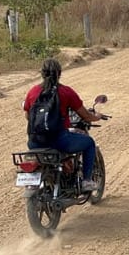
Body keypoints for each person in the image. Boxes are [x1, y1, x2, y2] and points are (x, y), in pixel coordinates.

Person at [23, 58, 102, 191]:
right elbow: (85, 115)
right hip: (59, 140)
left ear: (42, 73)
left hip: (35, 142)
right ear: (59, 73)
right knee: (89, 143)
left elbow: (28, 116)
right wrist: (96, 117)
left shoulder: (32, 92)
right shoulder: (66, 92)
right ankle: (86, 181)